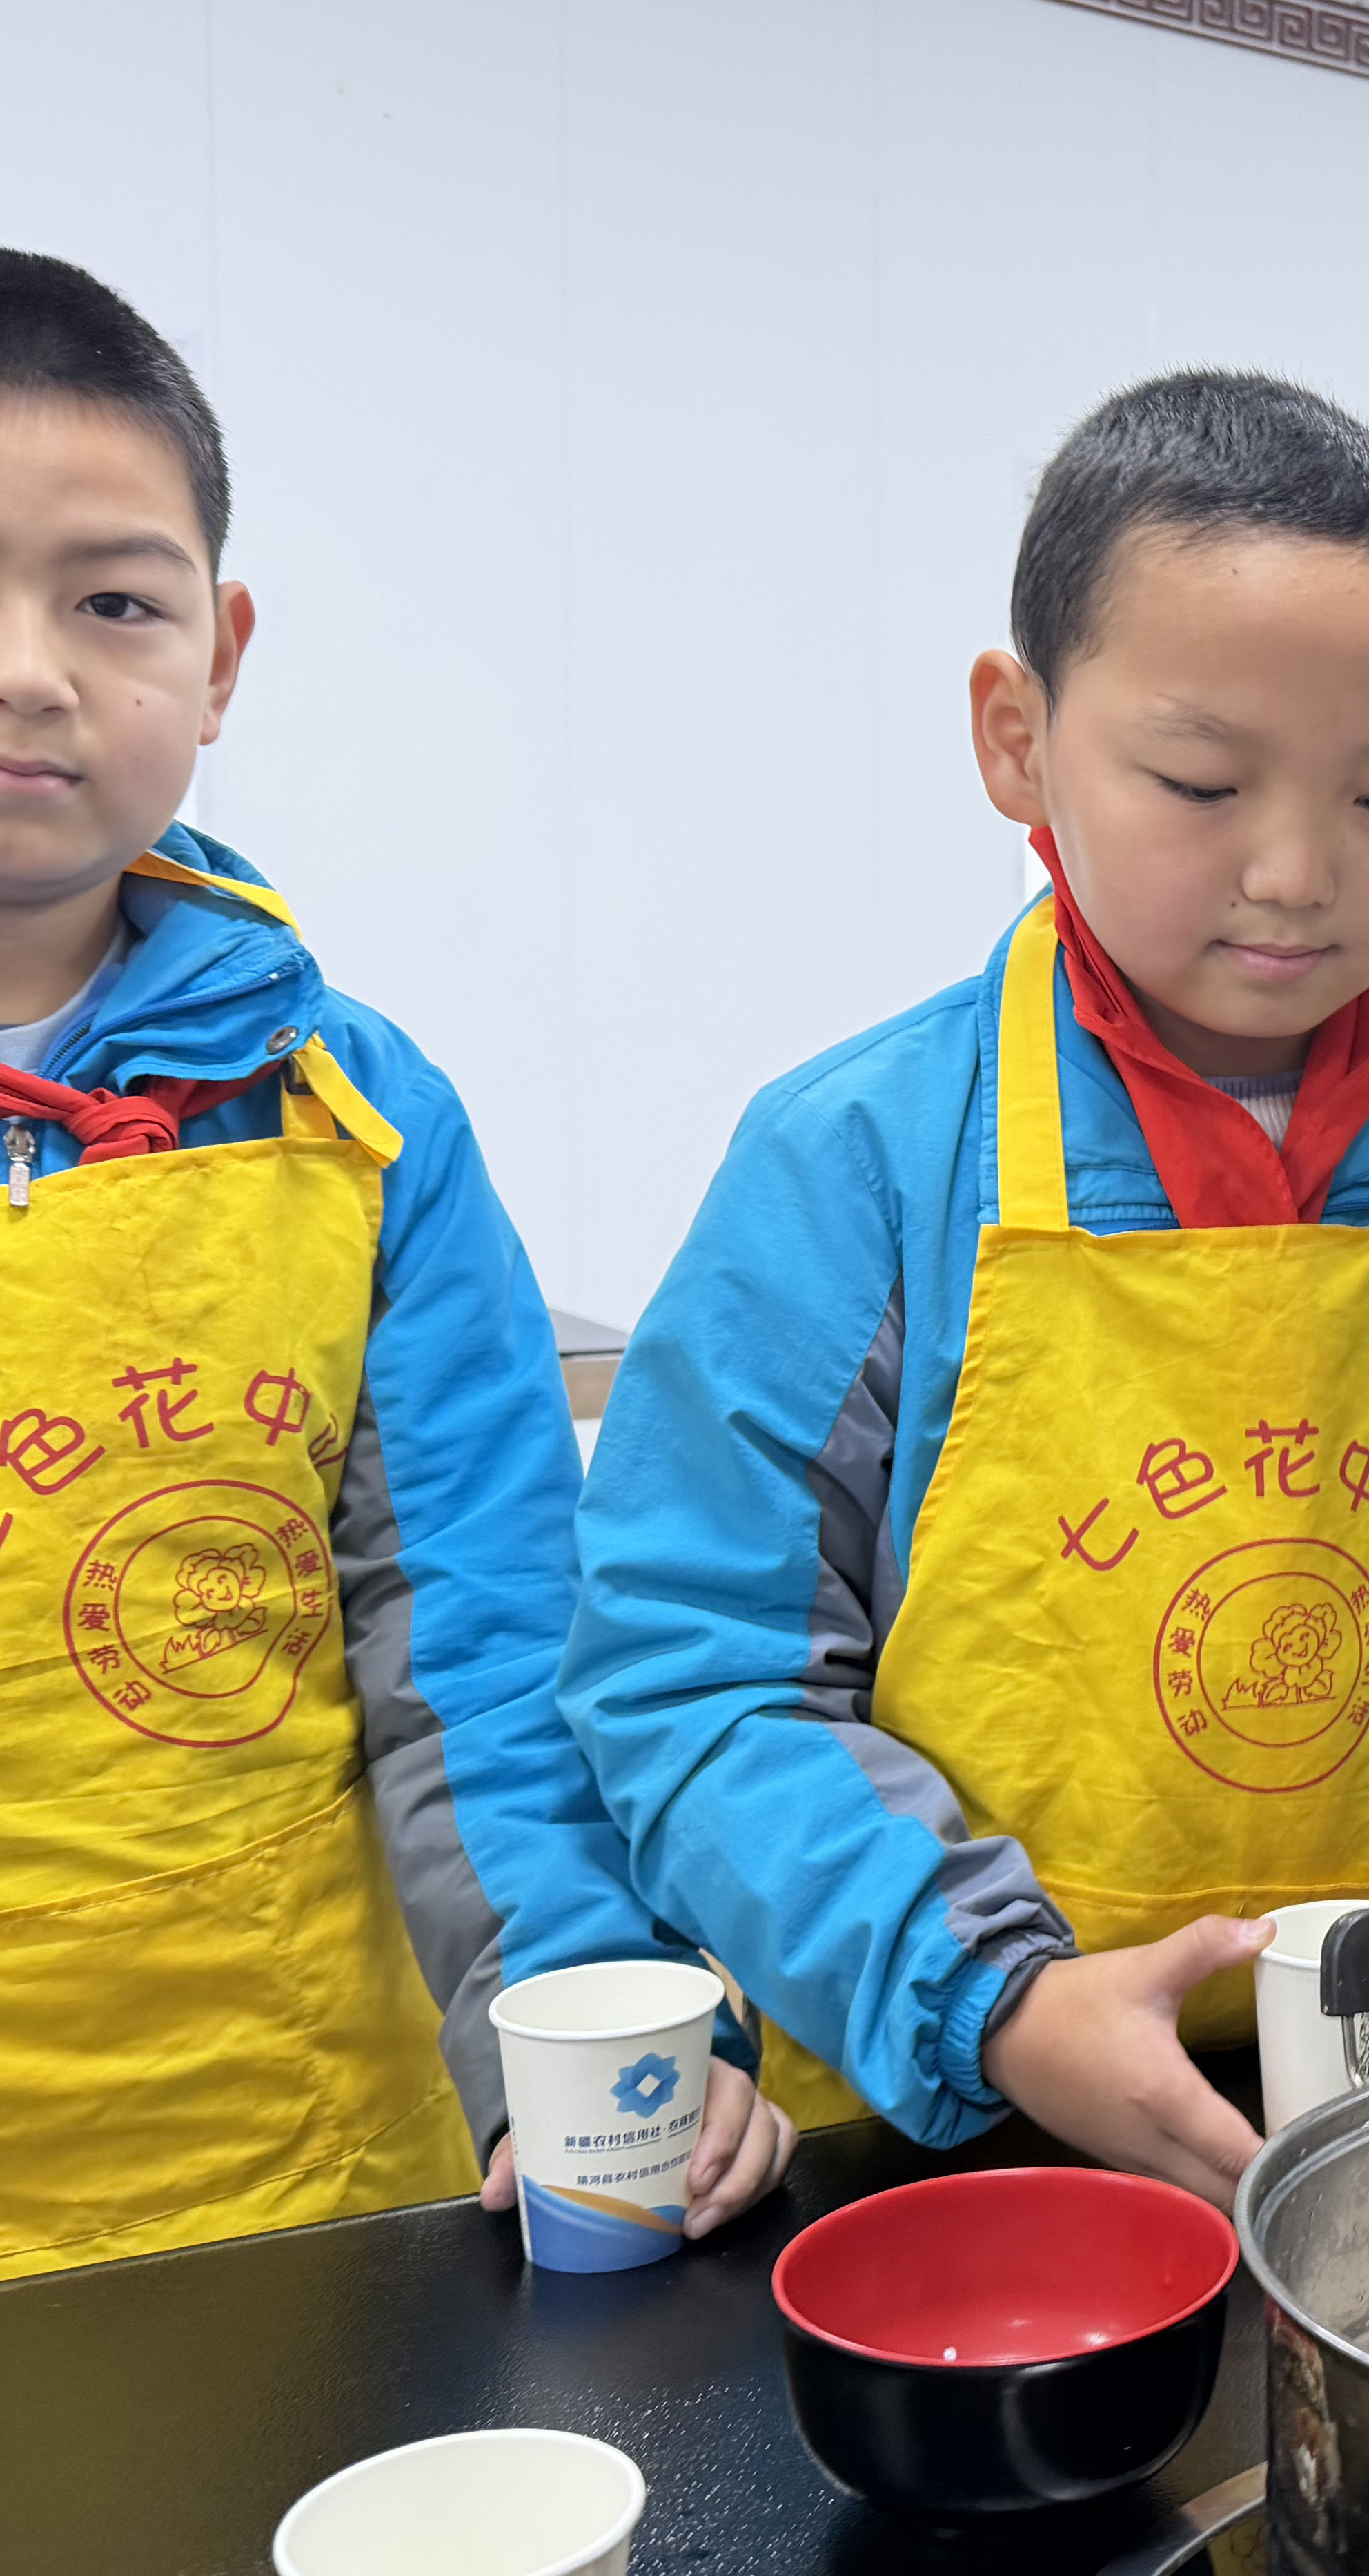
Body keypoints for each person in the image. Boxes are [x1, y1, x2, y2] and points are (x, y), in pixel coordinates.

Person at [562, 373, 1369, 2205]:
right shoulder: (861, 1168)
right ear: (1017, 740)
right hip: (949, 2128)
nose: (1300, 872)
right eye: (1202, 784)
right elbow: (694, 1671)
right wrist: (993, 1996)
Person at [0, 250, 791, 2274]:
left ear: (222, 652)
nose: (30, 671)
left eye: (113, 601)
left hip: (298, 2184)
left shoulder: (357, 1121)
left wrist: (602, 2020)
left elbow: (484, 1659)